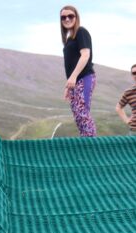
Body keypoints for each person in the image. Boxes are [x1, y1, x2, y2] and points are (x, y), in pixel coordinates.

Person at [60, 5, 97, 137]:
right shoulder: (69, 39)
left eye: (70, 16)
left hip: (84, 77)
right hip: (75, 81)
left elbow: (85, 55)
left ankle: (91, 144)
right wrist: (68, 85)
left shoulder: (81, 32)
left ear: (76, 17)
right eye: (63, 17)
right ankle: (84, 141)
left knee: (82, 112)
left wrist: (74, 77)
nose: (67, 19)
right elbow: (70, 64)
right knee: (77, 113)